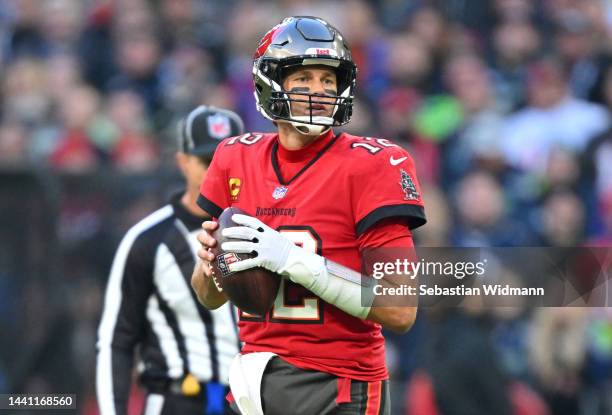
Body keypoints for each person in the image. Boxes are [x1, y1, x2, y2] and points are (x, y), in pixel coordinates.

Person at [191, 16, 426, 415]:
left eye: (328, 80)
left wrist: (294, 262)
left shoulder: (373, 165)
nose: (319, 91)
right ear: (270, 84)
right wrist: (214, 264)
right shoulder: (235, 157)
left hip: (337, 385)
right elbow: (208, 296)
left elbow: (401, 308)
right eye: (304, 79)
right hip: (252, 379)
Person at [96, 106, 245, 415]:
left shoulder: (267, 231)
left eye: (229, 162)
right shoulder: (148, 240)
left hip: (252, 401)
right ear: (182, 162)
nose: (218, 171)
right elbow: (117, 340)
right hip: (176, 402)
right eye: (207, 161)